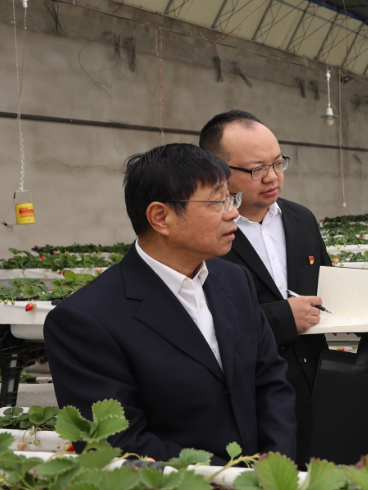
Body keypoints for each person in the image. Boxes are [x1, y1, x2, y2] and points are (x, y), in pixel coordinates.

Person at [44, 144, 296, 462]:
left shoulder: (234, 280)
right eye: (217, 202)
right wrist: (231, 477)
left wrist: (274, 465)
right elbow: (115, 444)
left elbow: (270, 379)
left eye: (231, 198)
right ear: (161, 217)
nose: (233, 212)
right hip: (178, 488)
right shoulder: (86, 320)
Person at [199, 110, 368, 466]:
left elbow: (327, 294)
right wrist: (281, 318)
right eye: (256, 169)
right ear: (218, 170)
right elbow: (199, 320)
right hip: (246, 400)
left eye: (278, 163)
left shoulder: (300, 219)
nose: (272, 177)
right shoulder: (205, 234)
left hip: (315, 391)